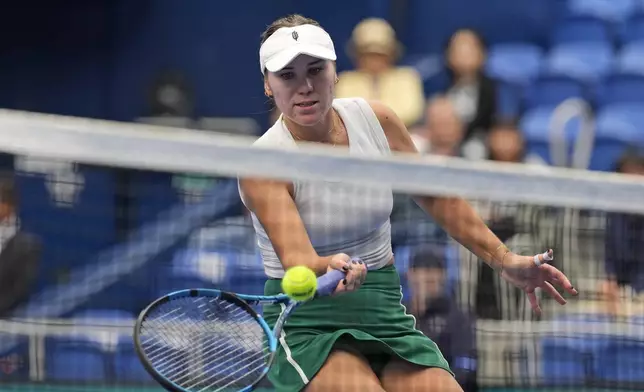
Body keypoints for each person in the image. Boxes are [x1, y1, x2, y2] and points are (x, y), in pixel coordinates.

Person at [239, 14, 578, 392]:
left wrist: (505, 259)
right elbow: (297, 260)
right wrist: (329, 265)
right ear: (268, 86)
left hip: (382, 307)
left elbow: (436, 197)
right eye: (287, 75)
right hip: (306, 320)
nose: (304, 86)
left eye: (315, 70)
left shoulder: (377, 121)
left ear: (336, 71)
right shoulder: (264, 162)